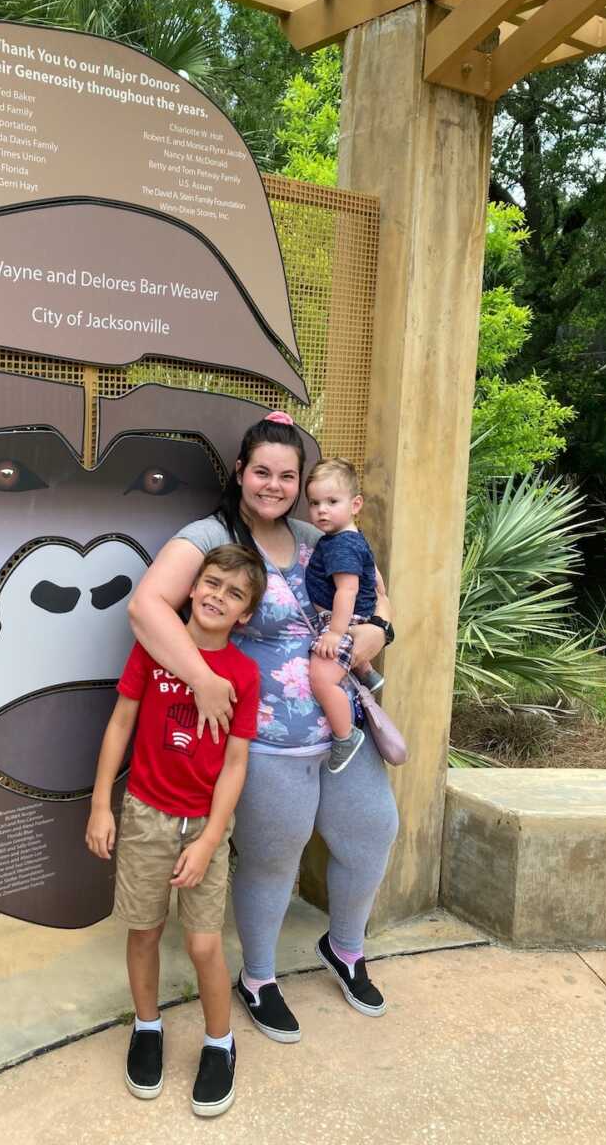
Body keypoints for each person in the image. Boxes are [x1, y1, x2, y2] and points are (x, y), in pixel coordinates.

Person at [127, 412, 399, 1042]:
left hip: (340, 723)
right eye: (261, 472)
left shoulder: (319, 532)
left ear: (301, 482)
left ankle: (347, 948)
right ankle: (261, 978)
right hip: (265, 737)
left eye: (287, 475)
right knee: (274, 858)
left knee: (373, 831)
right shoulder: (209, 536)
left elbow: (378, 600)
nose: (273, 486)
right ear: (241, 474)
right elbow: (146, 608)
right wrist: (201, 676)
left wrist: (374, 632)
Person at [86, 544, 265, 1118]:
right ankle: (146, 1028)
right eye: (212, 583)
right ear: (191, 588)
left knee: (204, 942)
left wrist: (212, 837)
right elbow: (120, 724)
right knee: (143, 930)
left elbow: (236, 763)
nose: (218, 596)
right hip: (145, 813)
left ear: (245, 615)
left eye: (235, 593)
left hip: (204, 825)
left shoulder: (243, 673)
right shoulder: (153, 652)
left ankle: (220, 1042)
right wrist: (100, 805)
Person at [305, 457, 384, 775]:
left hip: (344, 622)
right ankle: (367, 672)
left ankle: (345, 736)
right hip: (352, 619)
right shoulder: (347, 538)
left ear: (355, 504)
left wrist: (335, 634)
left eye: (332, 502)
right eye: (314, 503)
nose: (322, 510)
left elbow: (346, 592)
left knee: (321, 680)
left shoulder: (341, 546)